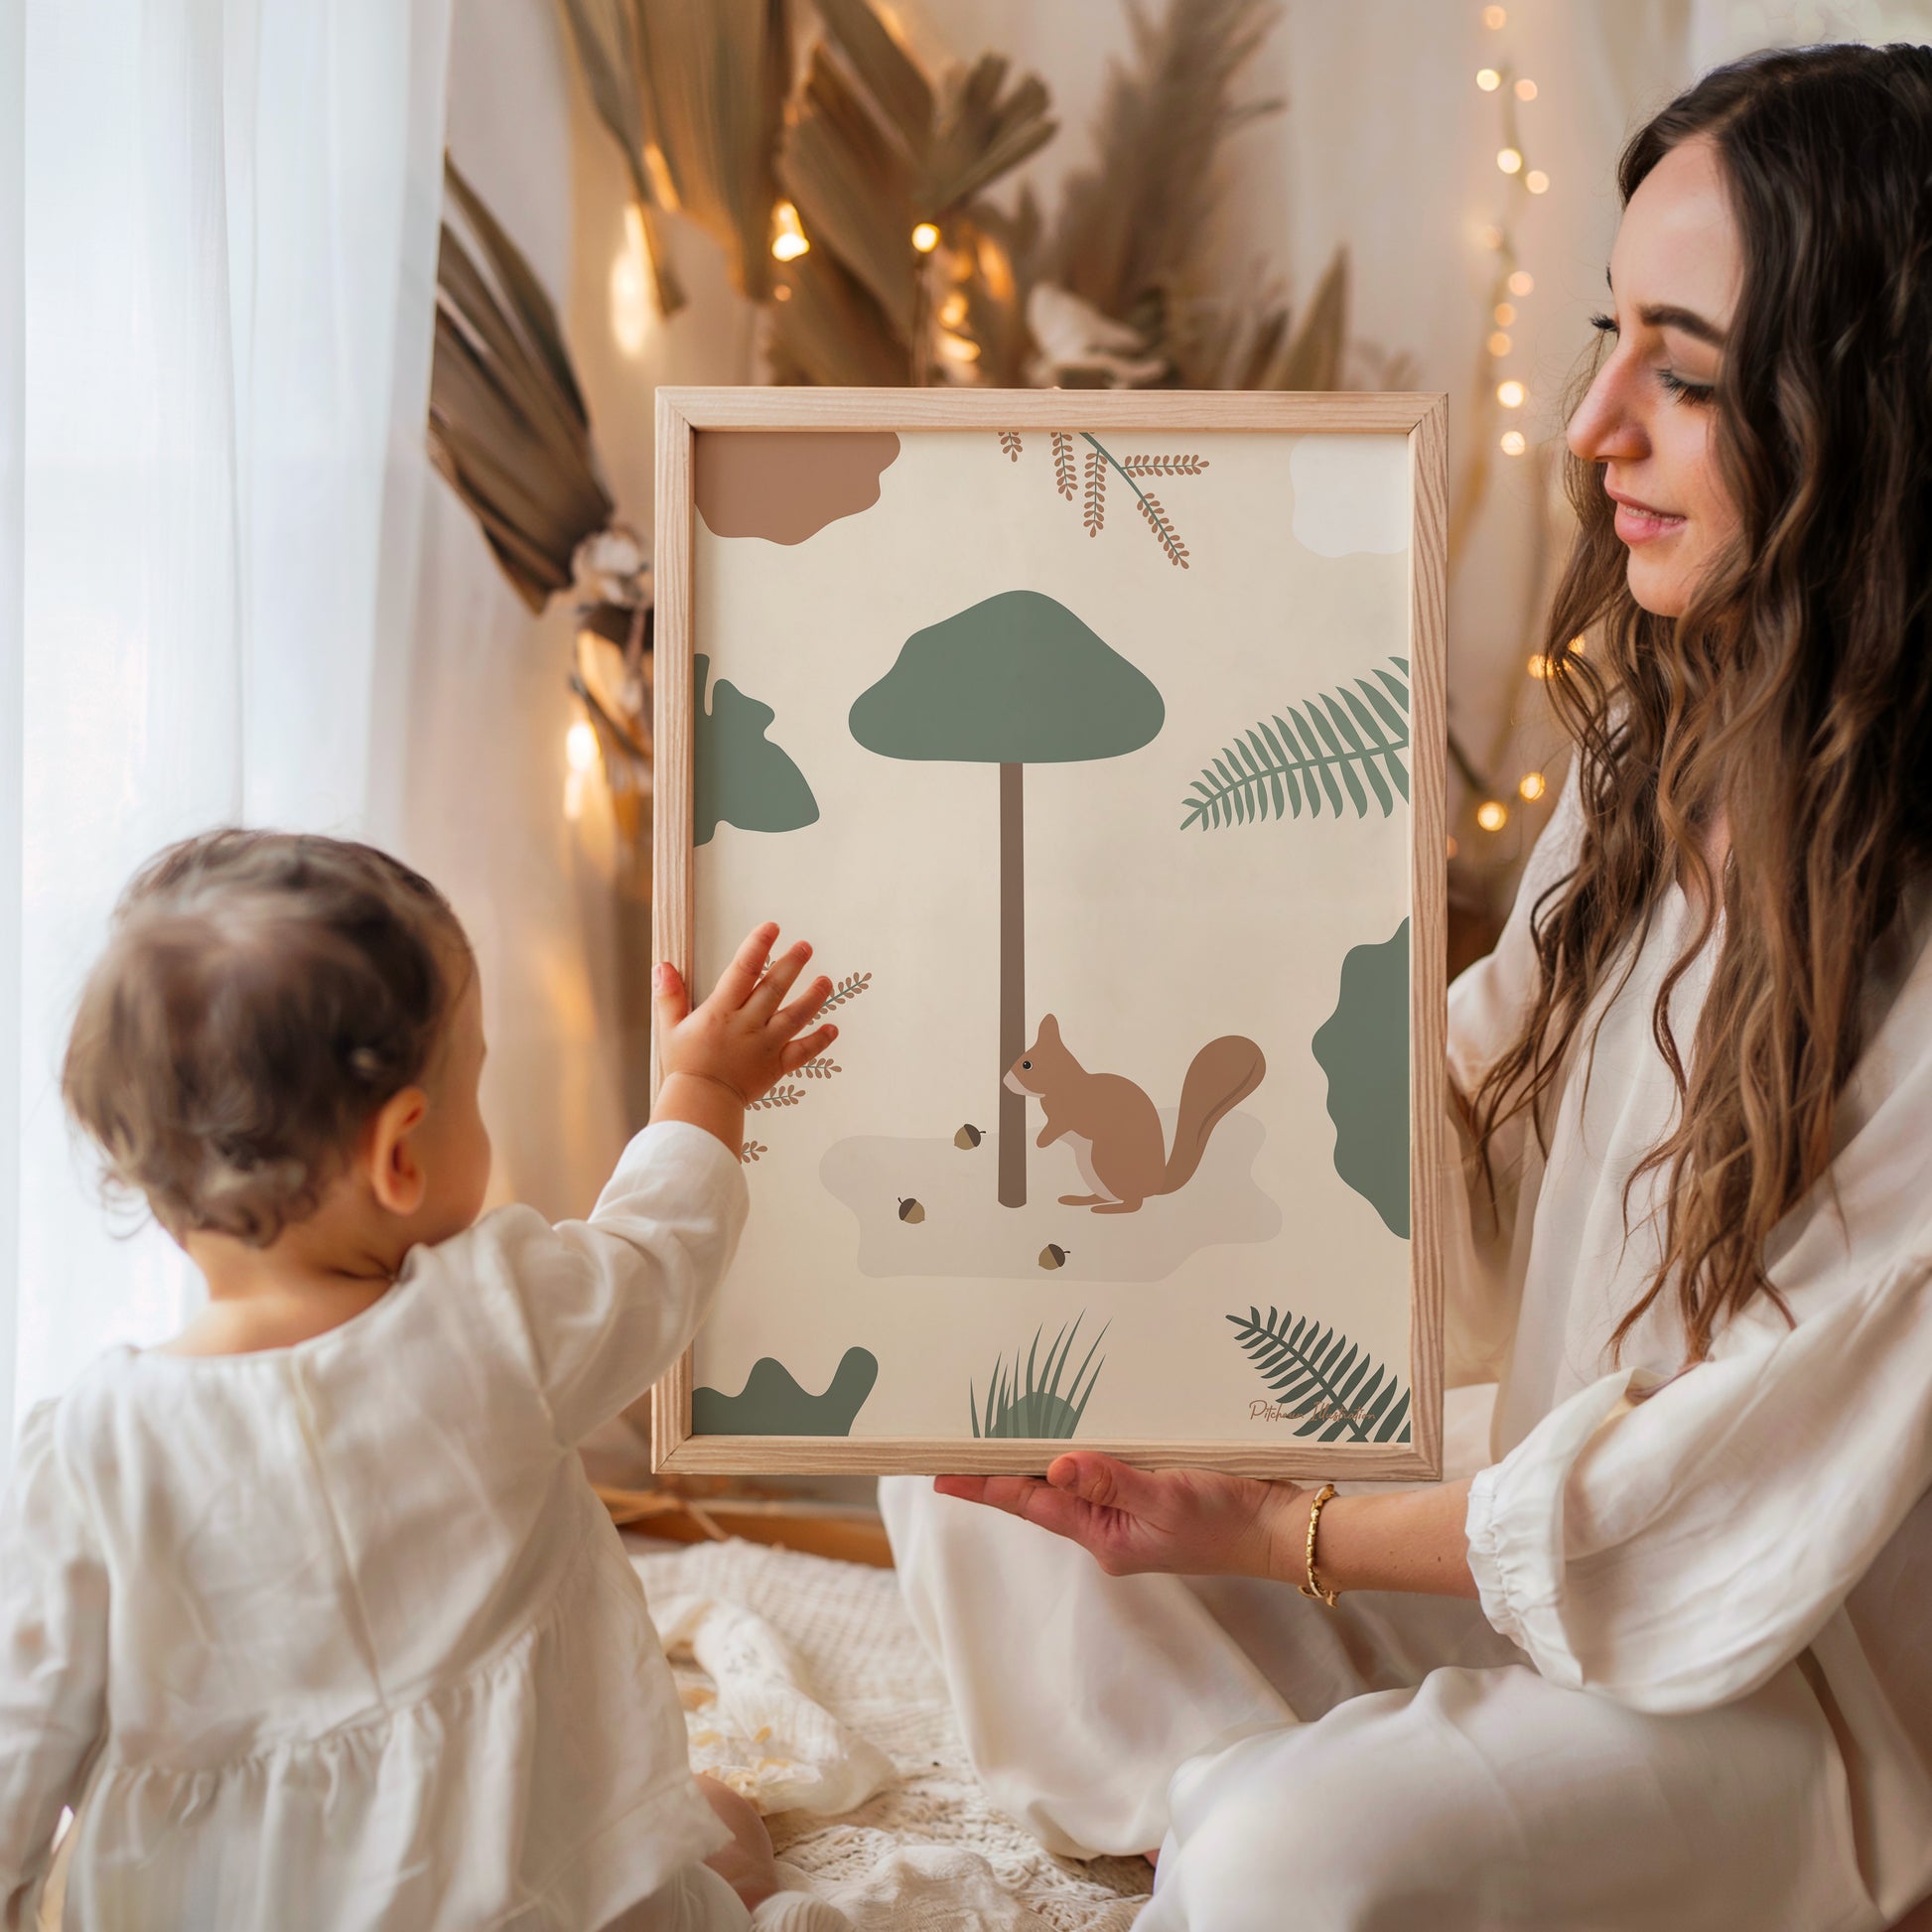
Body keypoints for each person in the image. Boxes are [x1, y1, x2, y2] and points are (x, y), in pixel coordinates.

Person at [882, 43, 1932, 1932]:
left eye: (1683, 375)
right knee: (980, 1446)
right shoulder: (1662, 750)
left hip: (1783, 1676)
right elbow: (1449, 1117)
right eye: (1611, 336)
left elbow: (1705, 1504)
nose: (1591, 420)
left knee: (1303, 1861)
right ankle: (1259, 1816)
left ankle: (1284, 1834)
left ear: (1872, 421)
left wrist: (1278, 1531)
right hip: (1542, 1509)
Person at [0, 832, 849, 1932]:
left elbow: (26, 1731)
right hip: (524, 1885)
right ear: (403, 1152)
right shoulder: (501, 1317)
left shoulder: (87, 1447)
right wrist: (706, 1082)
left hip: (225, 1903)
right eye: (478, 1076)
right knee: (715, 1825)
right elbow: (660, 1248)